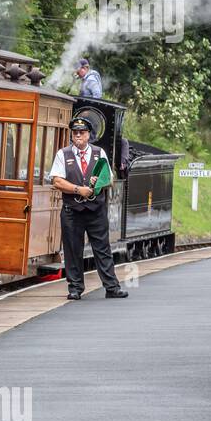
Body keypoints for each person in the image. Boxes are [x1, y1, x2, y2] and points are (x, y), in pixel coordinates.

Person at [47, 115, 127, 300]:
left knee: (102, 249)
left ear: (89, 134)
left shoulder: (100, 153)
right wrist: (77, 189)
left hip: (95, 210)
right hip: (72, 211)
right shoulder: (63, 154)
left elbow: (110, 180)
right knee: (73, 249)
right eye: (75, 133)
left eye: (82, 132)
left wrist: (97, 183)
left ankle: (112, 287)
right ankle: (75, 288)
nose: (78, 136)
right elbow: (57, 181)